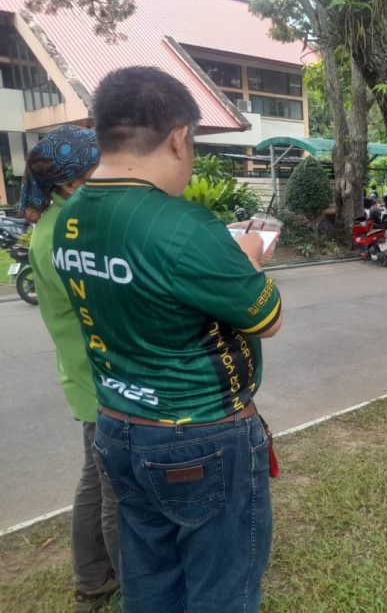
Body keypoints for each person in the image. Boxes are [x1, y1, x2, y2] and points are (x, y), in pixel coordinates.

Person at [53, 66, 283, 613]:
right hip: (199, 436)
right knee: (222, 589)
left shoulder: (69, 217)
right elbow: (266, 318)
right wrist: (248, 258)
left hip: (117, 428)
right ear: (179, 136)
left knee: (150, 583)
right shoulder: (183, 226)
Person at [22, 126, 121, 613]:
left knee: (95, 477)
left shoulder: (67, 220)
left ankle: (93, 576)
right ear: (69, 183)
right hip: (99, 376)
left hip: (86, 375)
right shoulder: (64, 232)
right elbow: (107, 303)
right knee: (116, 490)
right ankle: (138, 583)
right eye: (98, 169)